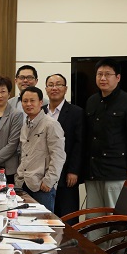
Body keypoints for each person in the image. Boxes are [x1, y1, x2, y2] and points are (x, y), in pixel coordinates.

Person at [85, 58, 127, 211]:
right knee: (93, 217)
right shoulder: (92, 101)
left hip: (116, 171)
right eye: (99, 74)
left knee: (114, 216)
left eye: (107, 74)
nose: (103, 78)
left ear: (118, 77)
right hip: (93, 171)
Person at [15, 87, 66, 212]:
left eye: (32, 100)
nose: (28, 104)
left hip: (42, 186)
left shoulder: (51, 124)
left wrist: (49, 181)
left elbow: (58, 156)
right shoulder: (25, 124)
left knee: (44, 222)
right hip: (23, 183)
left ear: (41, 102)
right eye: (25, 101)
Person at [43, 73, 84, 221]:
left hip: (67, 173)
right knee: (46, 216)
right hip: (44, 173)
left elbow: (79, 143)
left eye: (58, 84)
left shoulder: (76, 112)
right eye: (51, 85)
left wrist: (74, 171)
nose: (54, 88)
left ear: (65, 89)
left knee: (67, 216)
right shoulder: (41, 111)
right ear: (46, 89)